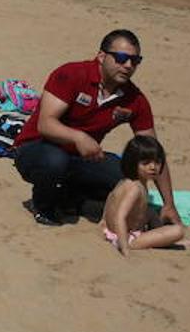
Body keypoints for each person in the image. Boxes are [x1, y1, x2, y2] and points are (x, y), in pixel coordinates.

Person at [13, 29, 181, 227]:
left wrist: (169, 204)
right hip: (35, 148)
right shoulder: (72, 74)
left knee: (128, 181)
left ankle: (71, 198)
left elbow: (153, 153)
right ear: (101, 56)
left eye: (135, 61)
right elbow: (45, 124)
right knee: (54, 161)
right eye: (121, 58)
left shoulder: (135, 99)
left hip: (81, 158)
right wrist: (79, 138)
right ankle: (43, 208)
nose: (128, 66)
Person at [102, 136, 190, 255]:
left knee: (150, 211)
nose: (153, 167)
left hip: (113, 231)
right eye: (146, 163)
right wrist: (125, 247)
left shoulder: (126, 182)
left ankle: (161, 239)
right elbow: (119, 216)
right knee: (178, 231)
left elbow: (110, 200)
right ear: (132, 163)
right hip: (126, 238)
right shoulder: (135, 189)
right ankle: (165, 242)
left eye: (157, 162)